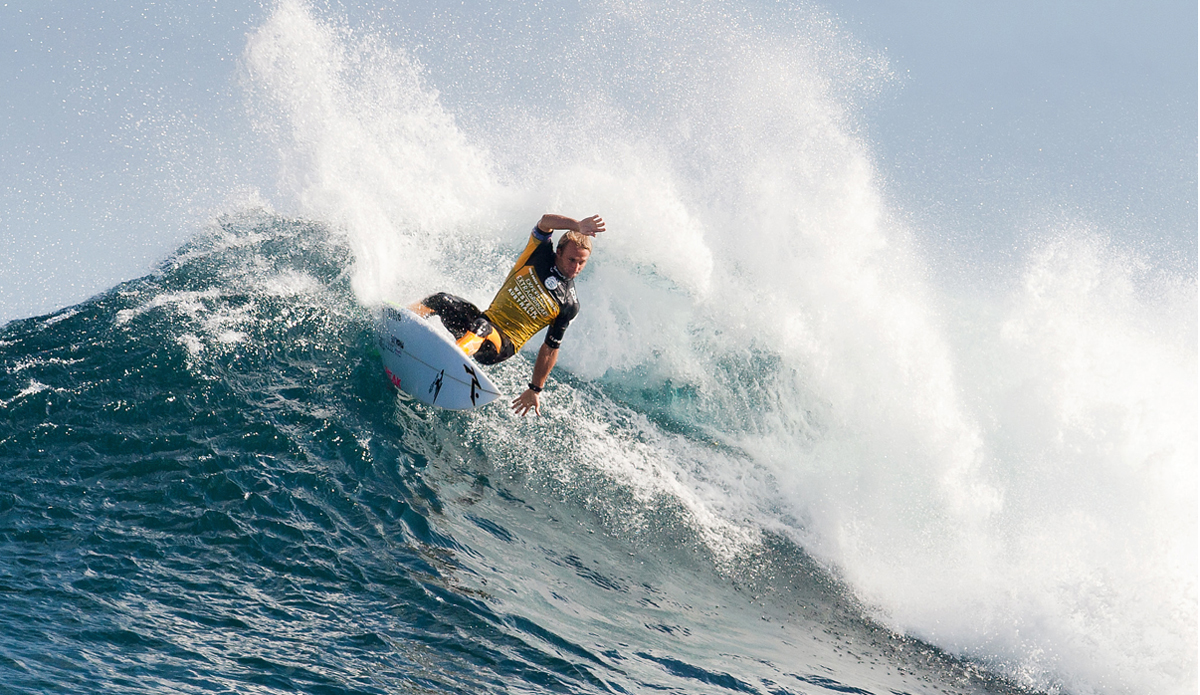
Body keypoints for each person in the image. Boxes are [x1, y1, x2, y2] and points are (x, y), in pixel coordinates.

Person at [411, 213, 605, 416]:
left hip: (502, 345)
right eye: (572, 259)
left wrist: (535, 388)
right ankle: (402, 318)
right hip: (482, 322)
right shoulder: (538, 254)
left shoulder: (568, 303)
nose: (576, 267)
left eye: (581, 263)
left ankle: (446, 363)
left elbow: (550, 348)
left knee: (481, 328)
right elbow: (545, 222)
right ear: (558, 252)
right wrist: (577, 225)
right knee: (441, 300)